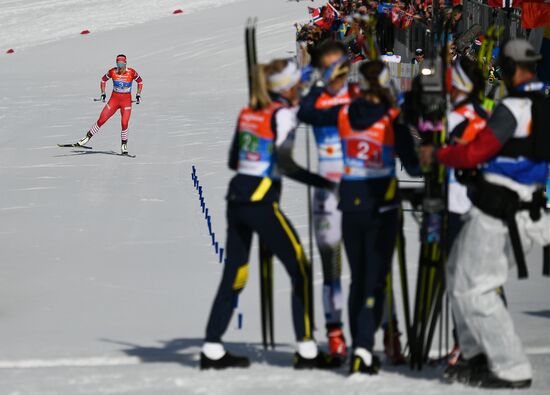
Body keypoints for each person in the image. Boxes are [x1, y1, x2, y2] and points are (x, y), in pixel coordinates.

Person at [420, 39, 550, 388]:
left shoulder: (516, 107)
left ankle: (510, 367)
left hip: (499, 209)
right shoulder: (542, 103)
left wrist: (440, 155)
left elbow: (478, 151)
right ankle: (475, 354)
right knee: (457, 275)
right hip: (516, 205)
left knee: (475, 289)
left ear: (511, 70)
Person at [201, 58, 340, 371]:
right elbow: (286, 164)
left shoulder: (249, 111)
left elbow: (234, 159)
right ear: (287, 87)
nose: (301, 88)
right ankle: (306, 351)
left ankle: (211, 347)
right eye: (297, 84)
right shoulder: (282, 116)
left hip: (237, 198)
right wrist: (323, 182)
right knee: (300, 269)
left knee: (235, 273)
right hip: (261, 202)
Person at [299, 60, 420, 375]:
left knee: (359, 280)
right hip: (382, 207)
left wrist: (318, 85)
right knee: (375, 279)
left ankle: (359, 346)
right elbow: (414, 165)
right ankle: (364, 348)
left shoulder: (344, 112)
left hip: (351, 206)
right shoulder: (393, 117)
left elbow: (306, 112)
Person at [303, 40, 352, 359]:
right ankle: (334, 332)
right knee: (331, 265)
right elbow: (304, 112)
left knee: (371, 265)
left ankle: (388, 329)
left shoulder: (362, 95)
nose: (339, 71)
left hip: (360, 188)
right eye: (331, 65)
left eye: (342, 63)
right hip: (327, 192)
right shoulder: (316, 100)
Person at [76, 54, 143, 155]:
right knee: (102, 119)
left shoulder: (131, 72)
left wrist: (138, 94)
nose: (119, 67)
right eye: (118, 64)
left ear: (125, 63)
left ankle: (124, 146)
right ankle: (86, 138)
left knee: (124, 123)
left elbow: (140, 82)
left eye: (121, 64)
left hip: (126, 101)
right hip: (114, 100)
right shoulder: (112, 71)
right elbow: (103, 80)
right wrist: (103, 93)